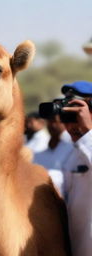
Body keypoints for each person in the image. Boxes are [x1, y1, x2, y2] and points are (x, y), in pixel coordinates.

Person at [59, 80, 92, 256]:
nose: (72, 126)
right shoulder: (72, 154)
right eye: (67, 117)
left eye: (77, 116)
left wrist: (88, 131)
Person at [33, 114, 72, 195]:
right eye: (49, 121)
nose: (52, 125)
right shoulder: (39, 154)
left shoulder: (72, 147)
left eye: (55, 121)